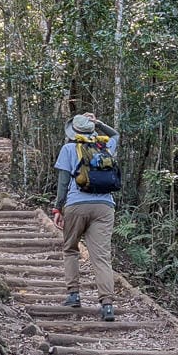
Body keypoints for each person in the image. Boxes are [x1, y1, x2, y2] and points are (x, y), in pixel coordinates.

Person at [52, 112, 119, 321]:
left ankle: (74, 294)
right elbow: (116, 134)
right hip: (104, 206)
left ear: (74, 132)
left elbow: (63, 183)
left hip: (76, 205)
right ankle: (107, 305)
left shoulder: (69, 148)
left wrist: (57, 208)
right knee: (101, 257)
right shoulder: (105, 146)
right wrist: (98, 123)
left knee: (71, 249)